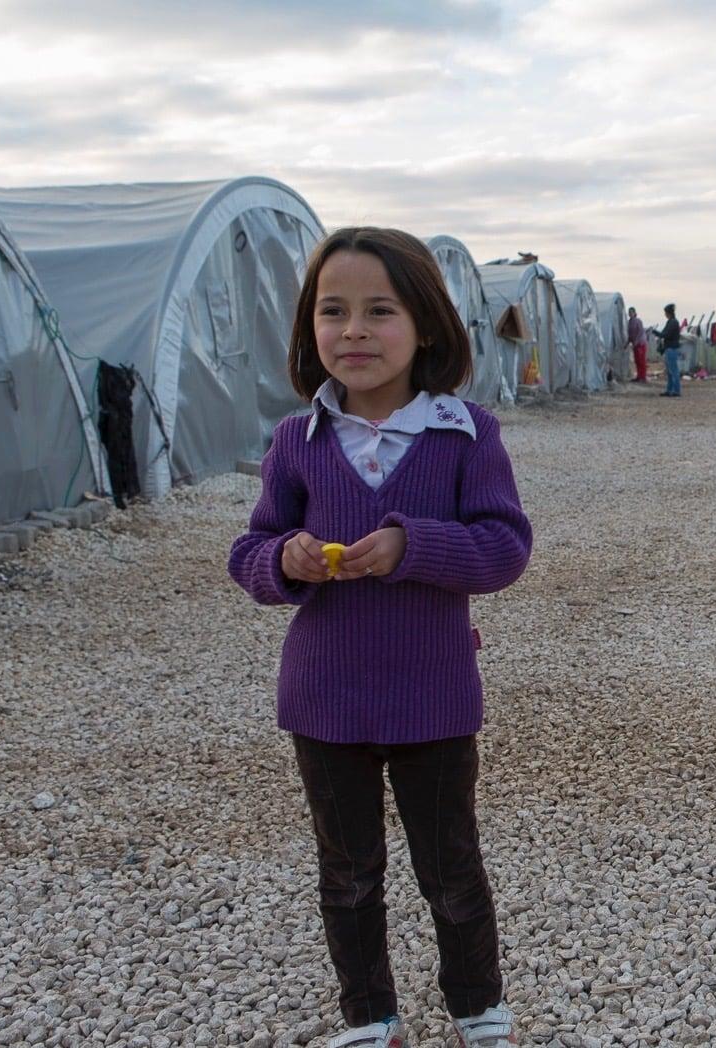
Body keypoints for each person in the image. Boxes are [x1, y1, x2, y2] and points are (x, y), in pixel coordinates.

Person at [228, 227, 532, 1048]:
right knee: (348, 877)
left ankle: (478, 1010)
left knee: (451, 872)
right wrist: (285, 560)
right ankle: (368, 1019)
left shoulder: (465, 434)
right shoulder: (299, 441)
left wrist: (412, 545)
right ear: (308, 328)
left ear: (426, 325)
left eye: (378, 311)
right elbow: (247, 553)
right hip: (323, 700)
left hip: (432, 697)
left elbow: (505, 548)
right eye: (332, 311)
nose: (353, 331)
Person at [659, 303, 684, 397]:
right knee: (670, 371)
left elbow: (666, 334)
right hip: (670, 348)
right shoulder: (672, 322)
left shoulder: (673, 322)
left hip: (671, 348)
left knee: (673, 370)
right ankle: (670, 390)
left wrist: (657, 333)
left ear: (668, 312)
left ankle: (676, 390)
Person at [626, 307, 648, 383]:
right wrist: (627, 343)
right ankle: (639, 376)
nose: (630, 314)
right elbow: (630, 335)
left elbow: (640, 332)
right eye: (629, 312)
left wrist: (636, 341)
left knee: (641, 360)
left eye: (631, 312)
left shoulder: (638, 321)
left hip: (640, 343)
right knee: (637, 361)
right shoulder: (629, 322)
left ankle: (643, 377)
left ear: (635, 313)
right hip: (635, 344)